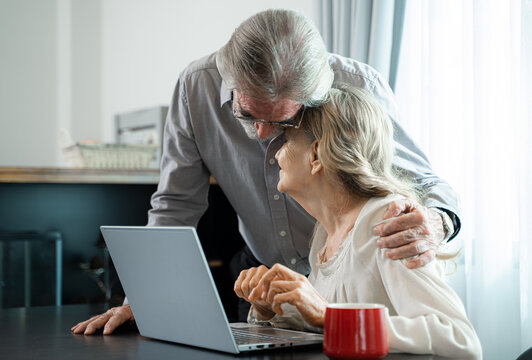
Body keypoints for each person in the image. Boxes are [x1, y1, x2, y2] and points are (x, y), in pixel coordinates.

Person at [71, 9, 460, 336]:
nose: (262, 137)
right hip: (268, 286)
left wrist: (438, 222)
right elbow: (175, 204)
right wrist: (147, 297)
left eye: (282, 124)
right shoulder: (196, 88)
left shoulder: (357, 86)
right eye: (246, 114)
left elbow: (426, 184)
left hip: (347, 286)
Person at [235, 86, 481, 357]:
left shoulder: (385, 222)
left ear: (316, 156)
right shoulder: (325, 236)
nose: (277, 153)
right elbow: (327, 324)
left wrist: (329, 316)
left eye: (288, 141)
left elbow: (460, 339)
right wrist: (271, 306)